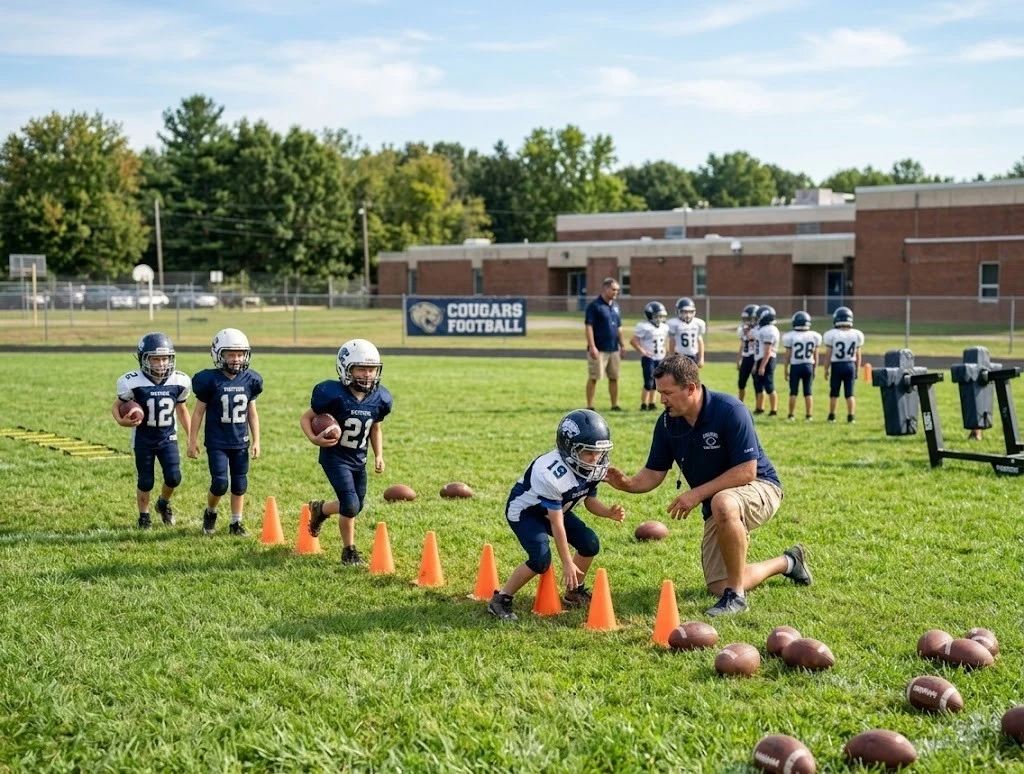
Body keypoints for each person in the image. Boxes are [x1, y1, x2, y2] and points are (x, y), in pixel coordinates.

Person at [604, 354, 811, 617]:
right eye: (659, 392)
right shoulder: (667, 422)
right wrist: (627, 483)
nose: (661, 400)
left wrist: (697, 494)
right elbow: (654, 473)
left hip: (761, 487)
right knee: (718, 585)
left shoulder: (730, 410)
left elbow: (747, 471)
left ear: (691, 388)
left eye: (667, 393)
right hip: (719, 503)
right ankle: (789, 562)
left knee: (723, 502)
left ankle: (736, 598)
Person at [488, 409, 626, 621]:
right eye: (588, 452)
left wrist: (608, 512)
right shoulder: (551, 473)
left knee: (589, 543)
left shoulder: (591, 466)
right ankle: (501, 599)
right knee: (541, 560)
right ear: (569, 448)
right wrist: (567, 563)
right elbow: (556, 523)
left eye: (599, 452)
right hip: (526, 513)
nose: (595, 457)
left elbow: (589, 500)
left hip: (557, 511)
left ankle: (574, 591)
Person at [300, 339, 391, 565]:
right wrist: (314, 439)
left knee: (356, 505)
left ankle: (320, 509)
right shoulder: (332, 394)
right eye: (361, 369)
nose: (367, 374)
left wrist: (379, 455)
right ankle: (349, 551)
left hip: (359, 459)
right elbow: (306, 418)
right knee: (350, 505)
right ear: (346, 369)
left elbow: (375, 428)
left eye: (371, 369)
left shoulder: (379, 398)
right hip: (335, 457)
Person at [187, 328, 263, 536]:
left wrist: (256, 440)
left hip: (240, 441)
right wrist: (192, 440)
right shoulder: (209, 380)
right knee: (220, 483)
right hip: (217, 442)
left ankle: (236, 523)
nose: (236, 359)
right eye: (230, 354)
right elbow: (198, 413)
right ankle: (211, 512)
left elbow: (252, 413)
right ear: (218, 354)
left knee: (240, 483)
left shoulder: (250, 380)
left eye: (240, 354)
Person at [111, 332, 192, 529]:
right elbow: (116, 406)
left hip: (168, 437)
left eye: (165, 358)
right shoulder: (132, 381)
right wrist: (121, 421)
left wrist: (192, 437)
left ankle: (163, 503)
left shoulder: (179, 380)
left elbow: (182, 409)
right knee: (146, 480)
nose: (161, 363)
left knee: (174, 477)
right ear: (144, 359)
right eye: (155, 359)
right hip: (143, 439)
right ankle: (144, 516)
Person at [585, 278, 626, 411]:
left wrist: (622, 344)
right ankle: (590, 406)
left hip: (614, 348)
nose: (616, 292)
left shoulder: (616, 306)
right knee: (594, 377)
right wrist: (592, 346)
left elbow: (619, 327)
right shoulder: (594, 306)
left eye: (617, 290)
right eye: (613, 289)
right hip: (599, 349)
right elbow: (589, 327)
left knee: (614, 377)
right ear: (605, 289)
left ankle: (614, 405)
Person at [822, 306, 865, 423]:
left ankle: (832, 416)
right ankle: (851, 417)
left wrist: (826, 368)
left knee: (834, 393)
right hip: (850, 365)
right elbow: (858, 354)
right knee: (850, 394)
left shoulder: (832, 334)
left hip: (837, 365)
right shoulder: (856, 334)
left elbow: (828, 354)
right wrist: (857, 368)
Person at [782, 312, 822, 421]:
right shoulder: (814, 336)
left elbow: (787, 355)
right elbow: (816, 355)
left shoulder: (790, 336)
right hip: (808, 365)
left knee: (793, 391)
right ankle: (809, 415)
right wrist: (815, 368)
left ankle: (791, 415)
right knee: (808, 391)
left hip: (795, 366)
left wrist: (785, 369)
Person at [630, 301, 669, 411]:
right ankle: (643, 404)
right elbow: (633, 341)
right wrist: (642, 351)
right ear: (649, 315)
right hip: (649, 358)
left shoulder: (664, 327)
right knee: (648, 382)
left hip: (660, 357)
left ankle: (652, 403)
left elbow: (665, 341)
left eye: (660, 316)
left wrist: (666, 351)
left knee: (657, 383)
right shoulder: (644, 327)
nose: (659, 318)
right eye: (656, 316)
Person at [752, 305, 780, 416]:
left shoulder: (770, 330)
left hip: (767, 359)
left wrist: (762, 366)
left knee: (769, 385)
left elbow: (768, 351)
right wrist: (756, 363)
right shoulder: (763, 329)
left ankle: (774, 410)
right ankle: (759, 408)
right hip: (760, 359)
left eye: (758, 317)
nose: (757, 319)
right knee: (759, 386)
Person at [667, 296, 705, 368]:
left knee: (693, 375)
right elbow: (672, 341)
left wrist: (701, 358)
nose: (688, 315)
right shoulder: (673, 323)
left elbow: (700, 341)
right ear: (678, 311)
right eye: (685, 312)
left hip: (693, 355)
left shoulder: (698, 323)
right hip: (679, 355)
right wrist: (671, 356)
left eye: (690, 312)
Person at [736, 304, 759, 404]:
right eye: (745, 318)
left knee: (757, 384)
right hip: (746, 357)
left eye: (749, 318)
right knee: (741, 383)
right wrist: (739, 360)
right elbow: (742, 345)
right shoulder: (742, 330)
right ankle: (740, 403)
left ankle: (759, 406)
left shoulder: (759, 330)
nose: (746, 321)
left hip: (755, 357)